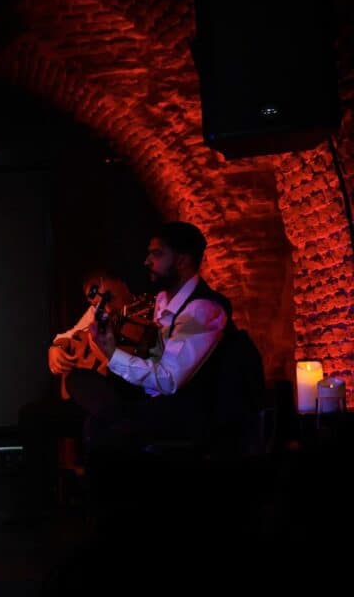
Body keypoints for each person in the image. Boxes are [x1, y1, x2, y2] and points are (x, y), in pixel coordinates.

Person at [65, 221, 230, 455]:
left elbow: (169, 380)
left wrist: (112, 354)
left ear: (182, 261)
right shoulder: (162, 300)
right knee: (75, 382)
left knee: (100, 425)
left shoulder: (203, 310)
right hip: (147, 398)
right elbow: (153, 358)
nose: (147, 261)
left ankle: (114, 422)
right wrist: (111, 348)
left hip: (180, 413)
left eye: (157, 254)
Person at [16, 270, 138, 519]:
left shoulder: (145, 313)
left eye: (102, 293)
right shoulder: (97, 312)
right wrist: (56, 348)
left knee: (87, 399)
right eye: (92, 298)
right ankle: (37, 507)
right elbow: (70, 335)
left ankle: (100, 506)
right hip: (96, 398)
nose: (98, 302)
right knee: (33, 415)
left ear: (120, 284)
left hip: (128, 395)